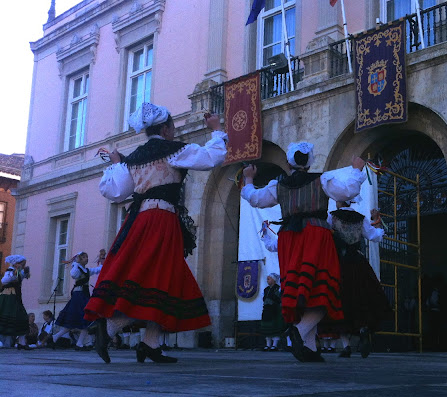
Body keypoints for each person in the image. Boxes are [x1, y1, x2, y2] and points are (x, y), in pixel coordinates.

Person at [84, 102, 229, 364]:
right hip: (160, 220)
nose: (174, 131)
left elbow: (116, 191)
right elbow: (211, 158)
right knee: (157, 279)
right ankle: (109, 327)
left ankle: (150, 344)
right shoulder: (172, 151)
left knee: (163, 279)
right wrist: (217, 131)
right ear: (165, 128)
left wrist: (117, 164)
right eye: (173, 127)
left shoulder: (136, 157)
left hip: (139, 220)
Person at [242, 141, 366, 362]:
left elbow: (255, 198)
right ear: (309, 163)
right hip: (315, 234)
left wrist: (249, 179)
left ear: (289, 162)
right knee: (323, 291)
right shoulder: (322, 180)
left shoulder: (277, 185)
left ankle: (309, 348)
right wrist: (357, 169)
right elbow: (349, 190)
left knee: (300, 290)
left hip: (289, 237)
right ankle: (299, 332)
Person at [328, 199, 391, 358]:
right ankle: (363, 330)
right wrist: (377, 223)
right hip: (357, 261)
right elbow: (375, 237)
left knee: (341, 300)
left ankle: (346, 346)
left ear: (338, 202)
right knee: (361, 297)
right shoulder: (360, 218)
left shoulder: (332, 217)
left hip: (339, 262)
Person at [54, 251, 102, 351]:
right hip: (78, 296)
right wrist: (75, 263)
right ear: (79, 259)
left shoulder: (87, 270)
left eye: (87, 257)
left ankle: (76, 342)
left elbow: (98, 270)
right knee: (83, 318)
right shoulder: (77, 268)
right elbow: (74, 275)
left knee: (85, 319)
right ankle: (63, 339)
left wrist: (103, 260)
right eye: (84, 257)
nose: (87, 259)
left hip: (83, 296)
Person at [0, 255, 32, 350]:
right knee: (8, 318)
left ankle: (22, 342)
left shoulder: (18, 272)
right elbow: (4, 281)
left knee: (22, 318)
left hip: (16, 298)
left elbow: (22, 277)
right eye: (22, 263)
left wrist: (25, 272)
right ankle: (20, 343)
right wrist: (14, 274)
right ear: (16, 264)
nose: (23, 265)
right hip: (8, 297)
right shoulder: (10, 271)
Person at [260, 273, 285, 351]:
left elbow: (278, 299)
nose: (267, 280)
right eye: (267, 279)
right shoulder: (266, 289)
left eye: (269, 279)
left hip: (274, 310)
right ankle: (268, 344)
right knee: (267, 328)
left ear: (274, 280)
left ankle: (275, 345)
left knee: (274, 328)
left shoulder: (278, 288)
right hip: (267, 310)